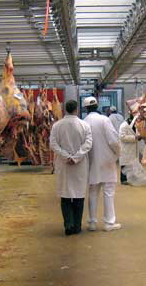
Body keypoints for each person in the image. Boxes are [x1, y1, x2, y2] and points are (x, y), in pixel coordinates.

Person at [49, 100, 93, 236]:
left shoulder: (57, 126)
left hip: (64, 165)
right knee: (79, 196)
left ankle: (68, 225)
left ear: (64, 109)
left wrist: (66, 156)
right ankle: (77, 226)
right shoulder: (84, 125)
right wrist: (76, 157)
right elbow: (88, 144)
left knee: (65, 195)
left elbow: (53, 144)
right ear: (77, 109)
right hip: (79, 165)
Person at [83, 96, 122, 232]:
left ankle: (92, 222)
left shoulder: (84, 122)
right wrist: (118, 154)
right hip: (107, 160)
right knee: (108, 191)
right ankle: (109, 223)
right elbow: (113, 140)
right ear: (97, 106)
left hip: (91, 161)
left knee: (93, 192)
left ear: (85, 108)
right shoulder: (104, 120)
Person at [119, 115, 146, 186]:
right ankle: (123, 179)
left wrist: (141, 136)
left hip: (133, 148)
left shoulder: (135, 126)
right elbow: (122, 137)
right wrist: (135, 137)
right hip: (126, 149)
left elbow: (138, 134)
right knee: (124, 164)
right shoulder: (123, 126)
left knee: (132, 164)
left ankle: (132, 178)